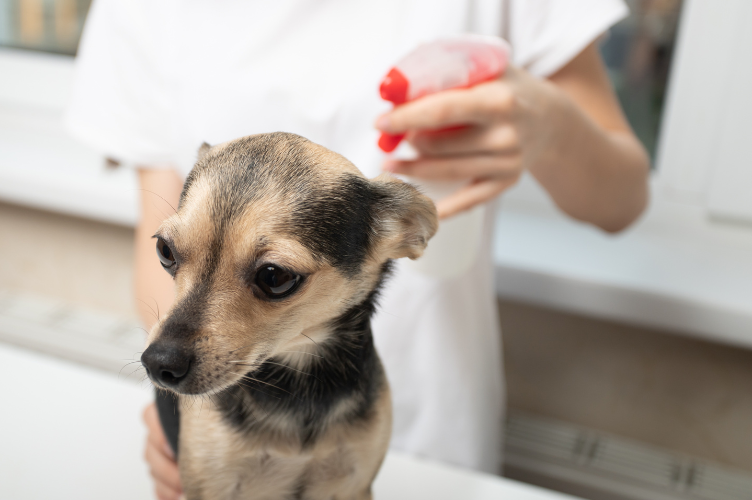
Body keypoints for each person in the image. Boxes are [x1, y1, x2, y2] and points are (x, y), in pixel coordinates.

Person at [66, 1, 649, 498]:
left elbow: (622, 201)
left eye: (272, 276)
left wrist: (550, 124)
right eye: (177, 253)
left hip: (430, 419)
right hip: (227, 412)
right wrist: (176, 402)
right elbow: (161, 221)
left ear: (404, 235)